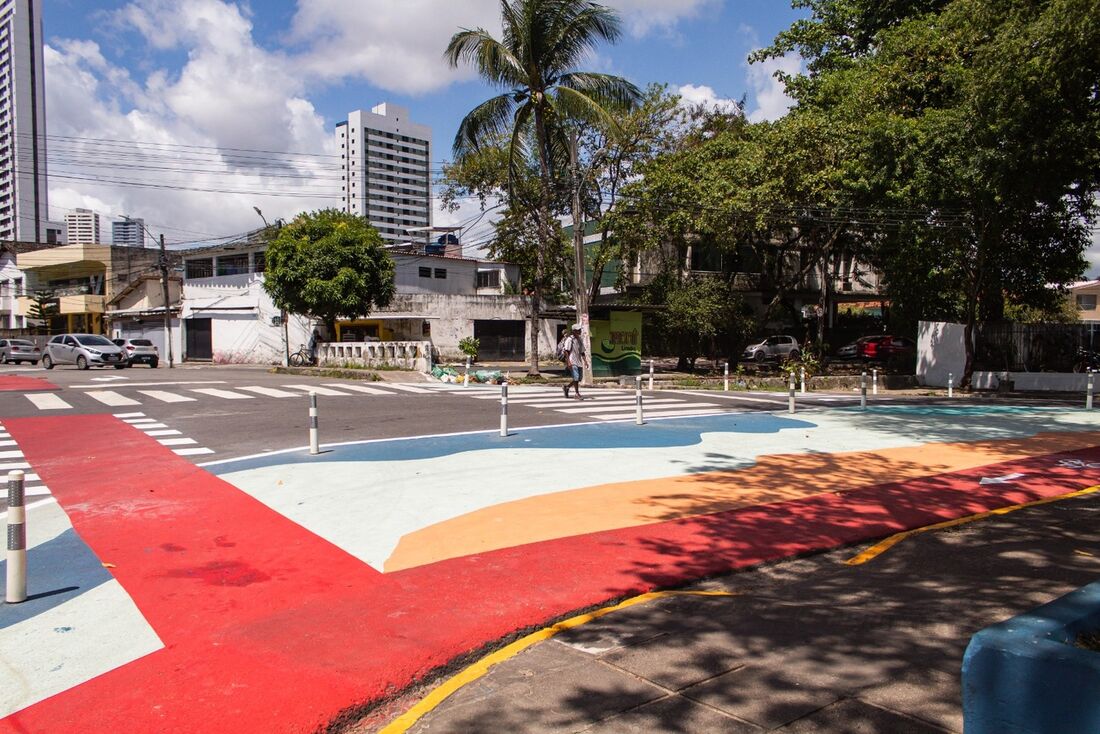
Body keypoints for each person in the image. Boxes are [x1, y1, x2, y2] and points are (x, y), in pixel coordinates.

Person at [562, 324, 585, 400]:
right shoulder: (570, 339)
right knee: (576, 377)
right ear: (573, 331)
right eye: (578, 330)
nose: (579, 331)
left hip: (579, 362)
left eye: (580, 330)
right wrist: (568, 362)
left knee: (578, 378)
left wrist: (585, 361)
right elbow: (566, 351)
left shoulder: (580, 339)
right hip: (572, 361)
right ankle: (577, 394)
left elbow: (582, 351)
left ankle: (567, 387)